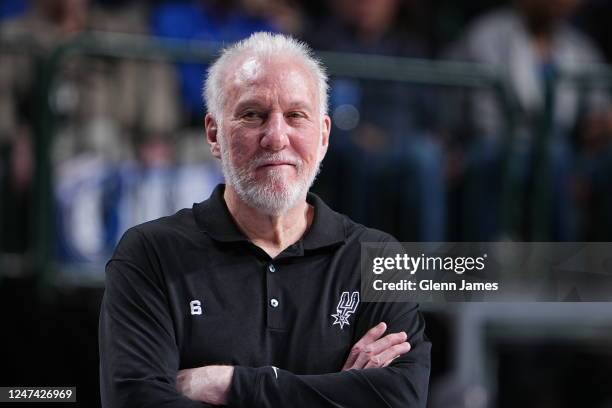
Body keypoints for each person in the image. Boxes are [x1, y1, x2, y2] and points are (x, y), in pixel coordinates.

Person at [99, 32, 431, 407]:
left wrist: (233, 385)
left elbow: (400, 400)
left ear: (323, 136)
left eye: (295, 116)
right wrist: (338, 390)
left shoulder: (378, 256)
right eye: (253, 114)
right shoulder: (150, 254)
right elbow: (137, 401)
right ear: (213, 133)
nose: (276, 137)